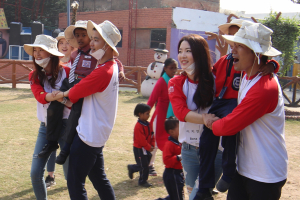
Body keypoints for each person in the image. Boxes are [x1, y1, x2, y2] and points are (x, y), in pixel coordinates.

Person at [195, 19, 280, 200]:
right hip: (245, 168)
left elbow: (227, 127)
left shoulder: (264, 88)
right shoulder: (245, 71)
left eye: (239, 45)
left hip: (264, 175)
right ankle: (207, 185)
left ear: (256, 53)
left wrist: (208, 120)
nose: (232, 49)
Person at [51, 20, 121, 199]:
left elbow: (75, 93)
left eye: (96, 40)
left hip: (88, 136)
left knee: (75, 183)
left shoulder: (102, 72)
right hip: (96, 133)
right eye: (93, 39)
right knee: (99, 179)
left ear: (108, 45)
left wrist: (61, 95)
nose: (92, 44)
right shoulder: (110, 67)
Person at [38, 21, 125, 164]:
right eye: (77, 35)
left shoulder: (96, 53)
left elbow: (114, 60)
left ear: (91, 37)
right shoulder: (74, 54)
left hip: (83, 85)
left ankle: (66, 149)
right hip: (71, 82)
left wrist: (121, 71)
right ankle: (51, 141)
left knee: (74, 115)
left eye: (84, 35)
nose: (80, 38)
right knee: (53, 107)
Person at [168, 34, 221, 200]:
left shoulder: (217, 79)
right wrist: (205, 119)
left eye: (188, 51)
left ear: (199, 53)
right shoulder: (176, 82)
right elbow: (180, 112)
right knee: (193, 194)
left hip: (215, 149)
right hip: (189, 149)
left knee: (197, 196)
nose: (182, 55)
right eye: (180, 51)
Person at [25, 34, 71, 200]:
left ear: (51, 53)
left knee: (71, 175)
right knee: (35, 173)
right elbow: (40, 96)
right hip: (45, 128)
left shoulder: (67, 71)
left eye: (41, 50)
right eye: (35, 50)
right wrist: (61, 96)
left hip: (67, 126)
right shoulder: (34, 75)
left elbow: (74, 101)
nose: (37, 54)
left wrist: (62, 97)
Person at [147, 58, 178, 176]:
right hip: (160, 117)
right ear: (165, 68)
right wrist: (144, 115)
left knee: (172, 142)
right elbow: (152, 99)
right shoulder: (161, 82)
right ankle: (149, 165)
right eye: (171, 68)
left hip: (172, 117)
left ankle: (171, 166)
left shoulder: (175, 80)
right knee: (155, 141)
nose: (174, 70)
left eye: (175, 68)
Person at [156, 117, 184, 200]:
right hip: (172, 175)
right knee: (177, 197)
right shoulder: (169, 144)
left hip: (178, 173)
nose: (183, 129)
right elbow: (167, 161)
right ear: (171, 132)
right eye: (180, 128)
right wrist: (179, 157)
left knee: (176, 196)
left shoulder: (180, 142)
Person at [127, 103, 155, 187]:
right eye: (147, 114)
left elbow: (152, 135)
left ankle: (132, 168)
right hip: (139, 149)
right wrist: (149, 147)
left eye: (149, 113)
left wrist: (152, 145)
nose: (148, 116)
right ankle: (142, 181)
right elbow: (141, 140)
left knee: (144, 164)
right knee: (144, 166)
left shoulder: (149, 124)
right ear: (140, 114)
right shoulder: (138, 126)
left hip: (147, 148)